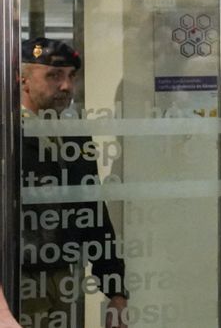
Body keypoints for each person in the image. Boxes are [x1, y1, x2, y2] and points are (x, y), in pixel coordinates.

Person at [19, 38, 128, 328]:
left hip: (63, 277)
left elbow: (93, 213)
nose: (66, 86)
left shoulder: (74, 136)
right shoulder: (8, 135)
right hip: (18, 280)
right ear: (23, 81)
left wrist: (116, 291)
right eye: (53, 76)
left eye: (71, 76)